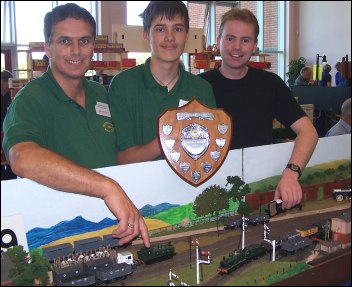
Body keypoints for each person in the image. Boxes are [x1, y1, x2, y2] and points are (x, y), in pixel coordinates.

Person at [2, 3, 150, 248]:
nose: (76, 51)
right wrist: (106, 187)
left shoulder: (100, 94)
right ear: (48, 47)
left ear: (93, 46)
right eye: (64, 41)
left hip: (114, 227)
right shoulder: (31, 99)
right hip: (60, 234)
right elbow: (21, 157)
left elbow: (120, 153)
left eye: (84, 41)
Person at [199, 8, 318, 210]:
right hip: (209, 189)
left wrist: (291, 172)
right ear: (218, 40)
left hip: (259, 188)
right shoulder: (199, 87)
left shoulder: (270, 84)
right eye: (230, 38)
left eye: (245, 40)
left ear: (254, 45)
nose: (237, 47)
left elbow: (309, 132)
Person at [108, 1, 216, 164]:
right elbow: (122, 158)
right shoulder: (123, 85)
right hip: (137, 187)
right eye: (160, 29)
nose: (170, 37)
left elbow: (209, 156)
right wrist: (170, 137)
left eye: (177, 29)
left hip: (189, 187)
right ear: (145, 34)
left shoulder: (202, 90)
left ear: (186, 35)